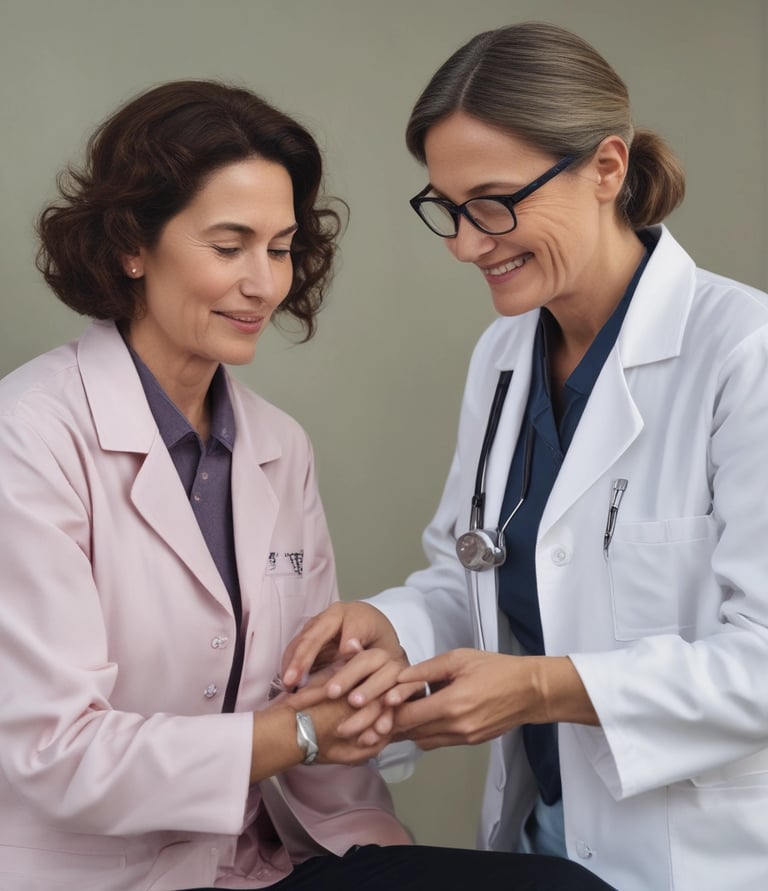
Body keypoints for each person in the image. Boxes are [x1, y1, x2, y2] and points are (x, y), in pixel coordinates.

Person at [0, 79, 614, 891]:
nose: (264, 283)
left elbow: (317, 730)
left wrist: (377, 825)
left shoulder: (277, 447)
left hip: (274, 864)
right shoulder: (31, 435)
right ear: (130, 245)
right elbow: (54, 754)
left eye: (281, 246)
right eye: (229, 246)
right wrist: (300, 731)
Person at [282, 21, 768, 891]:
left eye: (495, 202)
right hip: (545, 840)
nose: (466, 244)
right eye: (448, 208)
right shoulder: (506, 355)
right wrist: (395, 625)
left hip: (701, 857)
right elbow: (478, 575)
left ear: (607, 169)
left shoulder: (743, 354)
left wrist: (542, 688)